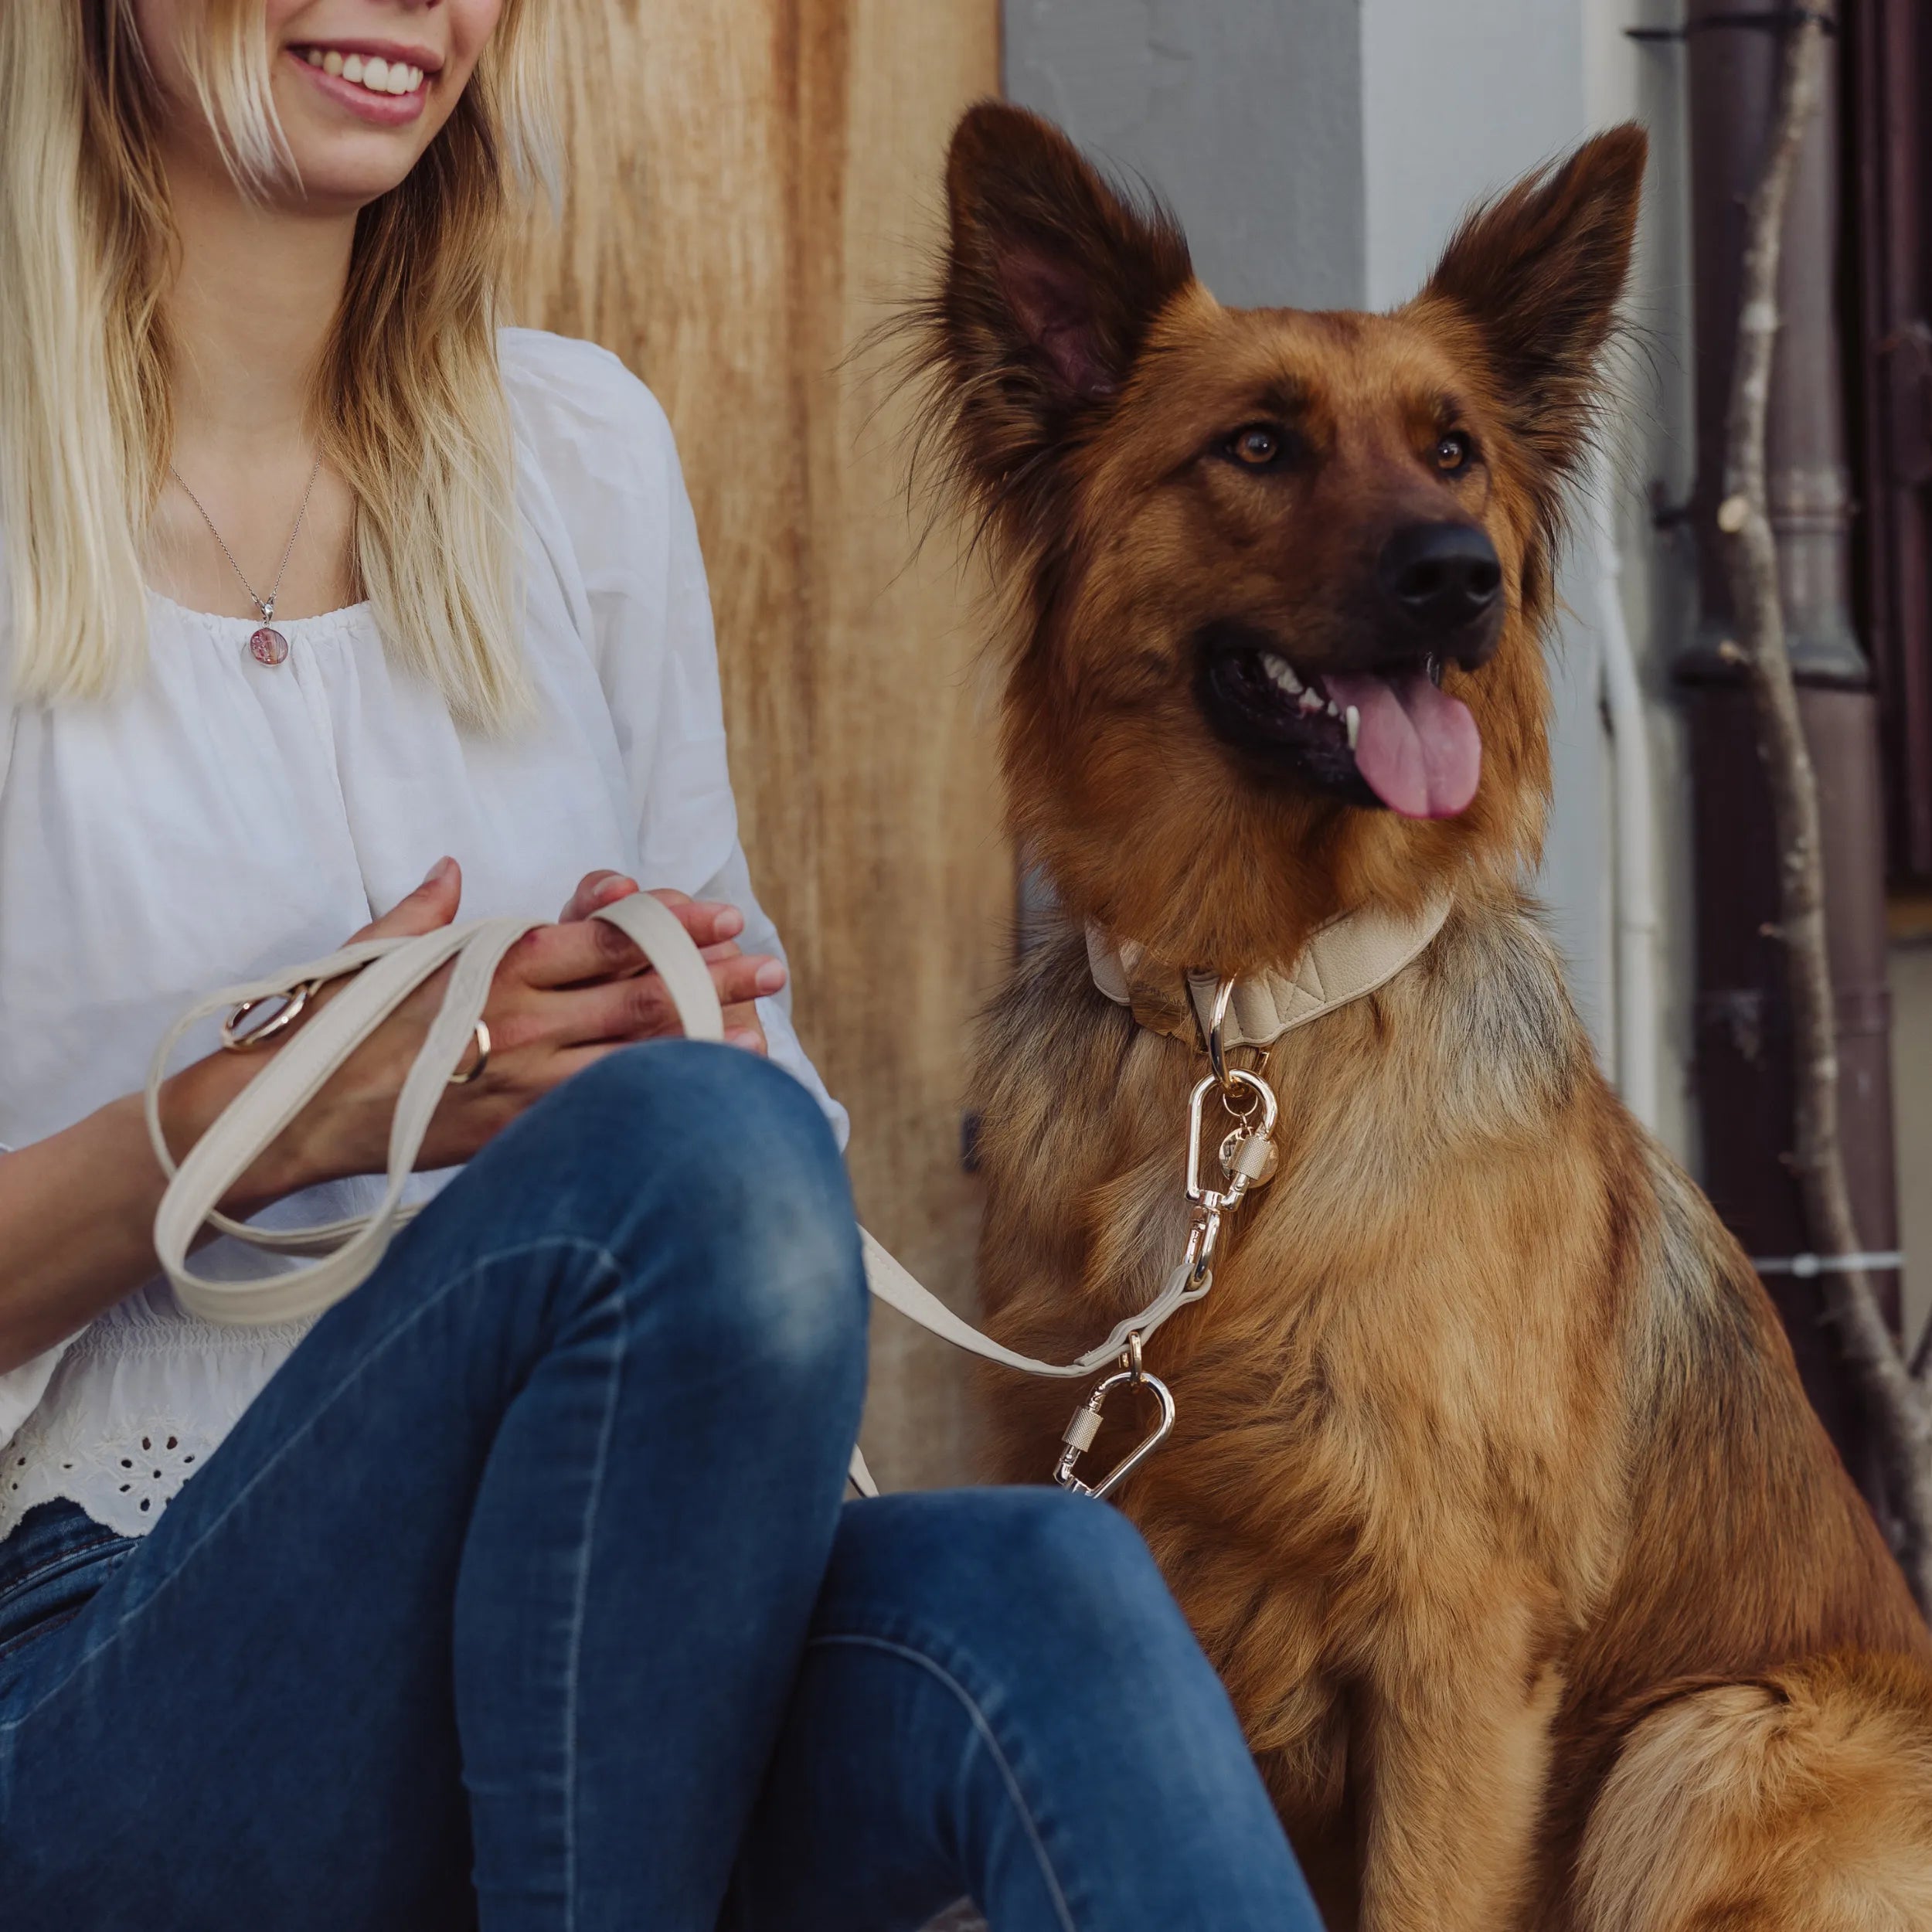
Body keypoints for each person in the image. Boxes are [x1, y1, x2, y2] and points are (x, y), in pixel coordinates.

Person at [0, 6, 1326, 1929]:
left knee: (1047, 1590)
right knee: (686, 1160)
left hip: (603, 1628)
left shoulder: (571, 462)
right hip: (97, 1657)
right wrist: (274, 1112)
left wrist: (674, 1021)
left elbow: (752, 1146)